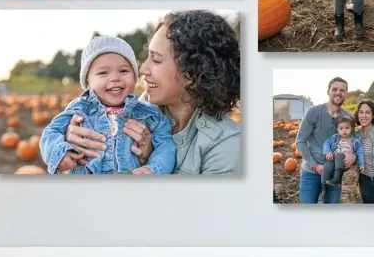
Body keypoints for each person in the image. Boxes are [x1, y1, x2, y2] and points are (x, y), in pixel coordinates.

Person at [62, 10, 240, 174]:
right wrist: (69, 140)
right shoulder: (143, 106)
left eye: (155, 59)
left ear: (193, 72)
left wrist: (153, 161)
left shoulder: (227, 146)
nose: (143, 68)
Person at [39, 36, 176, 174]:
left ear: (135, 78)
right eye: (103, 73)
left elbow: (165, 145)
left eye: (123, 71)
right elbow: (51, 132)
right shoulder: (80, 108)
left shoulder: (148, 113)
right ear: (88, 83)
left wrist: (154, 169)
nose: (115, 78)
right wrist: (59, 154)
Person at [295, 77, 355, 204]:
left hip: (334, 175)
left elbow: (352, 144)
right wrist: (314, 165)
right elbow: (300, 140)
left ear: (346, 94)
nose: (338, 92)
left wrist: (353, 158)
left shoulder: (348, 118)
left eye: (342, 90)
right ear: (328, 91)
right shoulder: (314, 112)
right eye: (334, 89)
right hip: (311, 173)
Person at [321, 115, 365, 192]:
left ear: (351, 128)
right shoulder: (334, 138)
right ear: (337, 129)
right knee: (326, 167)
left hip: (344, 161)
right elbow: (326, 143)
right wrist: (327, 152)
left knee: (339, 155)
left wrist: (362, 164)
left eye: (347, 128)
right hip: (334, 159)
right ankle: (324, 191)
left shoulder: (355, 141)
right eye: (341, 128)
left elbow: (360, 152)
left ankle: (336, 178)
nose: (344, 130)